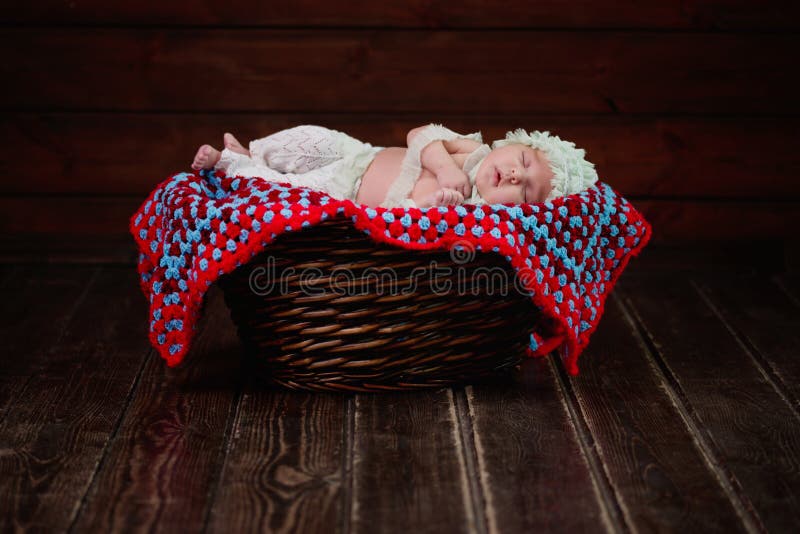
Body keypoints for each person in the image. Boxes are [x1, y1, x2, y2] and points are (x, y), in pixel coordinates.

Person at [190, 123, 598, 208]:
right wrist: (443, 167)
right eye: (522, 161)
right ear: (512, 144)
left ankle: (233, 167)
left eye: (525, 188)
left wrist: (437, 202)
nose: (514, 175)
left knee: (288, 191)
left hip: (342, 191)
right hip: (359, 153)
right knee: (307, 138)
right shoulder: (471, 148)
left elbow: (408, 224)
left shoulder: (471, 210)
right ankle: (253, 151)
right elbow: (419, 134)